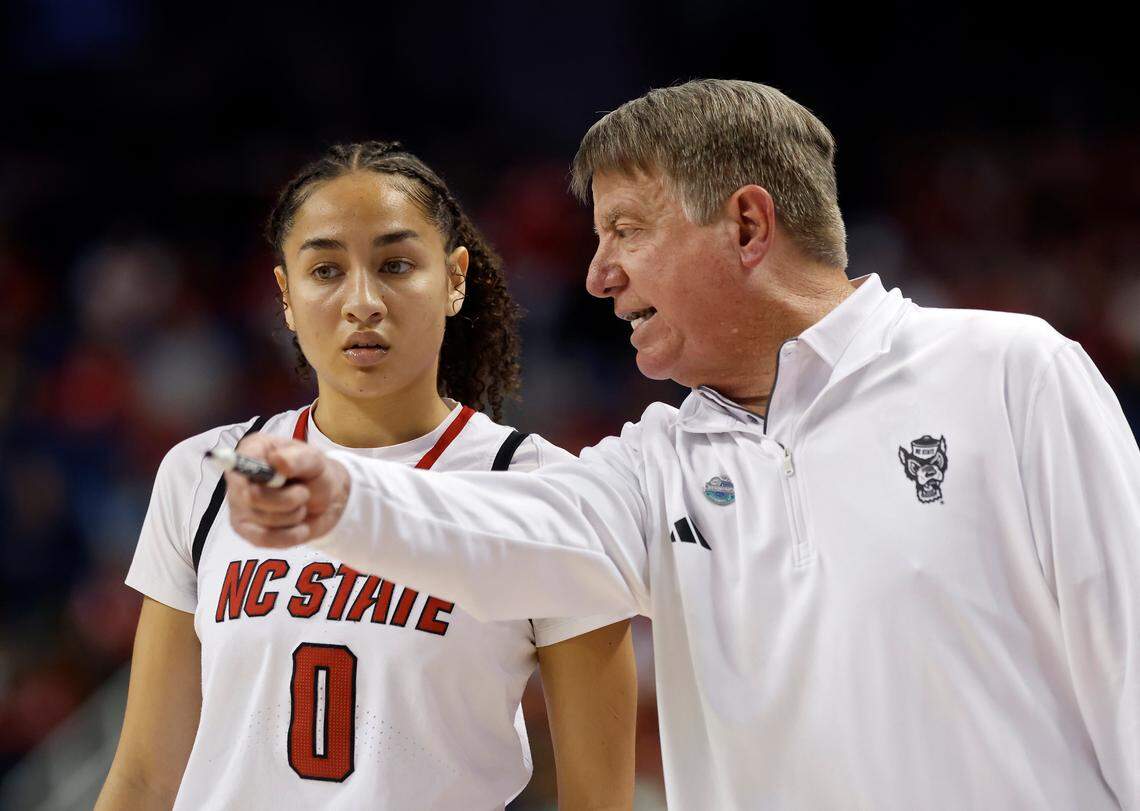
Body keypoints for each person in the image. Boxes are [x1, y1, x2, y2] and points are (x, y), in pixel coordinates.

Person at [228, 82, 1140, 810]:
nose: (597, 274)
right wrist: (343, 497)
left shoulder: (1009, 372)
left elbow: (1127, 662)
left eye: (626, 228)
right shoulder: (657, 463)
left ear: (747, 225)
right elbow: (504, 535)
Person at [96, 141, 637, 810]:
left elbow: (600, 800)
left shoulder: (547, 493)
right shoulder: (205, 473)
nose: (362, 301)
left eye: (396, 264)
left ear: (455, 278)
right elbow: (145, 777)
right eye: (325, 269)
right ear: (285, 296)